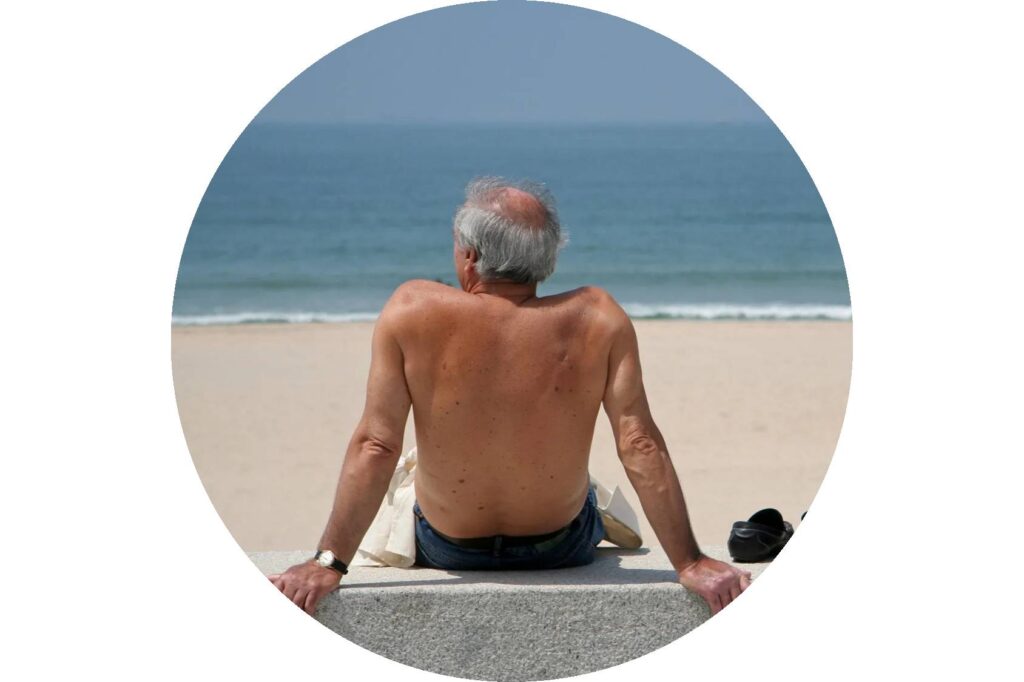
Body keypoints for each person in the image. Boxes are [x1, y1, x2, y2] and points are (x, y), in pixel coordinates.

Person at [269, 177, 751, 615]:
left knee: (408, 472)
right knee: (586, 487)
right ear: (547, 258)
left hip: (450, 547)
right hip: (561, 546)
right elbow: (639, 443)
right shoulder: (599, 316)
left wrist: (327, 562)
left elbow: (377, 445)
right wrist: (688, 562)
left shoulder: (411, 309)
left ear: (471, 256)